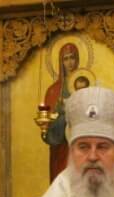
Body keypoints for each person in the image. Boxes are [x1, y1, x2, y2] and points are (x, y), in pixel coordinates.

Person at [43, 43, 80, 181]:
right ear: (61, 62)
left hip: (80, 146)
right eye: (66, 58)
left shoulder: (85, 86)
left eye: (72, 58)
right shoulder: (54, 91)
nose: (70, 62)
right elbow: (48, 126)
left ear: (77, 60)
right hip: (61, 148)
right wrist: (62, 113)